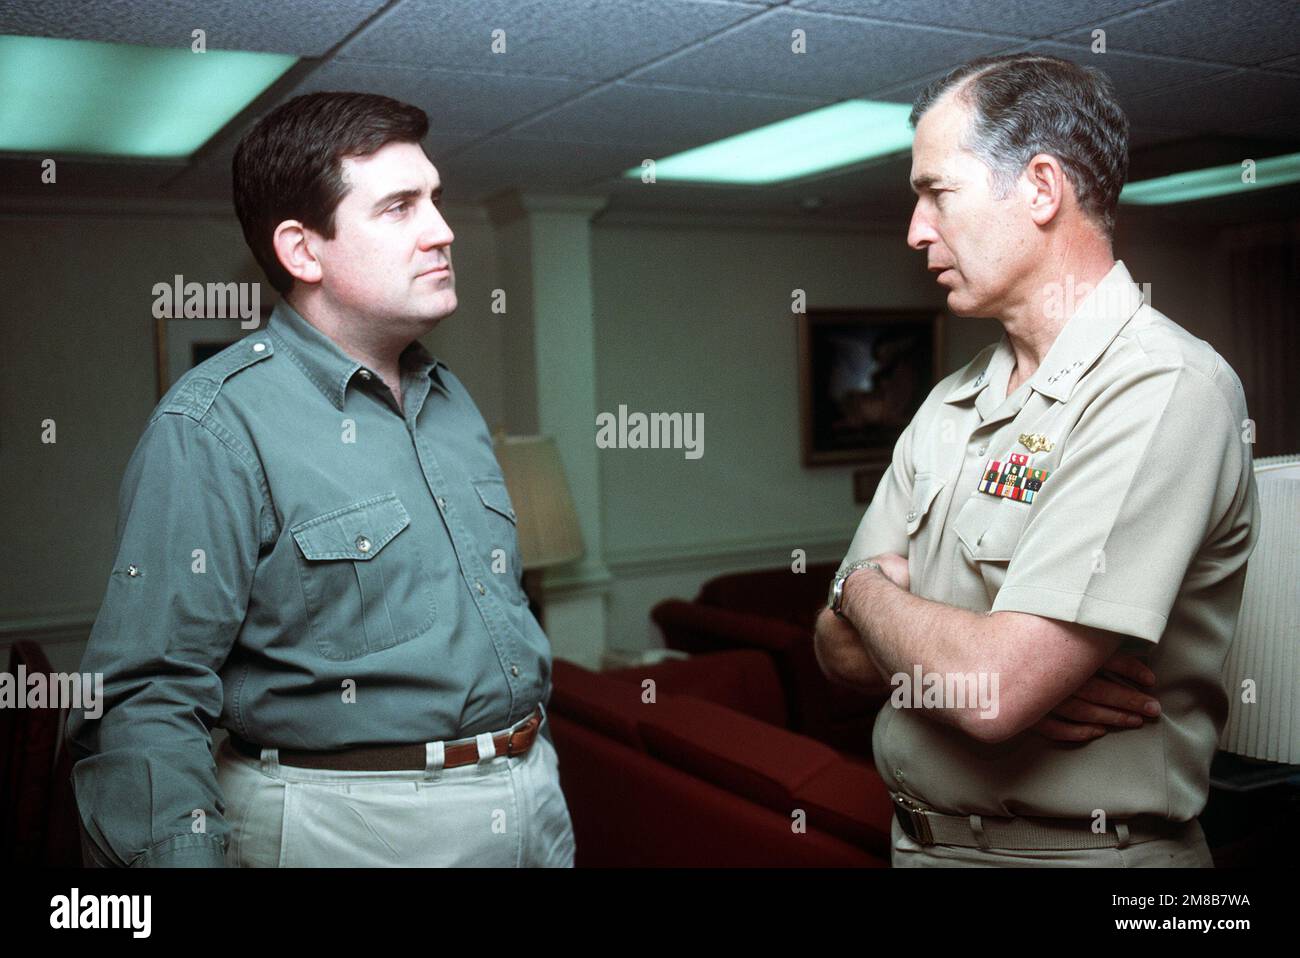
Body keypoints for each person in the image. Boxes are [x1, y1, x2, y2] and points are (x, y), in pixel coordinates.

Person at [66, 92, 576, 867]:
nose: (443, 231)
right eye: (401, 207)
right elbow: (145, 694)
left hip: (532, 794)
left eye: (435, 200)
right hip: (353, 829)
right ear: (304, 251)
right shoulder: (212, 426)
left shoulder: (451, 398)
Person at [815, 54, 1259, 867]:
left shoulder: (1164, 389)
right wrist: (922, 643)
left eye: (936, 192)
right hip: (918, 847)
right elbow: (832, 649)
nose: (916, 230)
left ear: (1042, 188)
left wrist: (865, 592)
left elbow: (994, 693)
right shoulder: (950, 401)